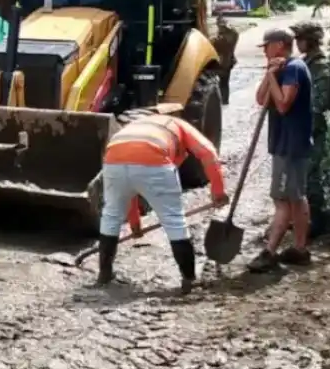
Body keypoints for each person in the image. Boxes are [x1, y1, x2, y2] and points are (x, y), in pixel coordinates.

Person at [95, 113, 229, 295]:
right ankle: (189, 279)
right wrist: (218, 190)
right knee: (174, 221)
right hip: (154, 157)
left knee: (111, 216)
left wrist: (135, 222)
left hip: (113, 159)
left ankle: (104, 274)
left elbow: (130, 186)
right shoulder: (181, 126)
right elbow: (208, 152)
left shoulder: (138, 125)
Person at [248, 27, 315, 273]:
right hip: (284, 143)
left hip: (291, 145)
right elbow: (260, 98)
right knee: (295, 198)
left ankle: (270, 252)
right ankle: (299, 249)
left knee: (284, 199)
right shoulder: (280, 70)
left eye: (266, 46)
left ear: (279, 45)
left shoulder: (295, 69)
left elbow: (284, 105)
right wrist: (269, 75)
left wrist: (273, 76)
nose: (265, 51)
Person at [291, 20, 330, 238]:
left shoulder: (320, 65)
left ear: (309, 40)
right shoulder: (308, 62)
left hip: (313, 127)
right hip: (304, 127)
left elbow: (319, 103)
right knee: (301, 175)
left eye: (299, 38)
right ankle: (303, 219)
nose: (296, 43)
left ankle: (315, 223)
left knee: (310, 176)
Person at [212, 15, 239, 105]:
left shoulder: (229, 35)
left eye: (220, 25)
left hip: (226, 62)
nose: (218, 27)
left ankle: (224, 100)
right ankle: (222, 100)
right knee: (222, 82)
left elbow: (219, 44)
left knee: (223, 82)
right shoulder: (224, 34)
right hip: (223, 61)